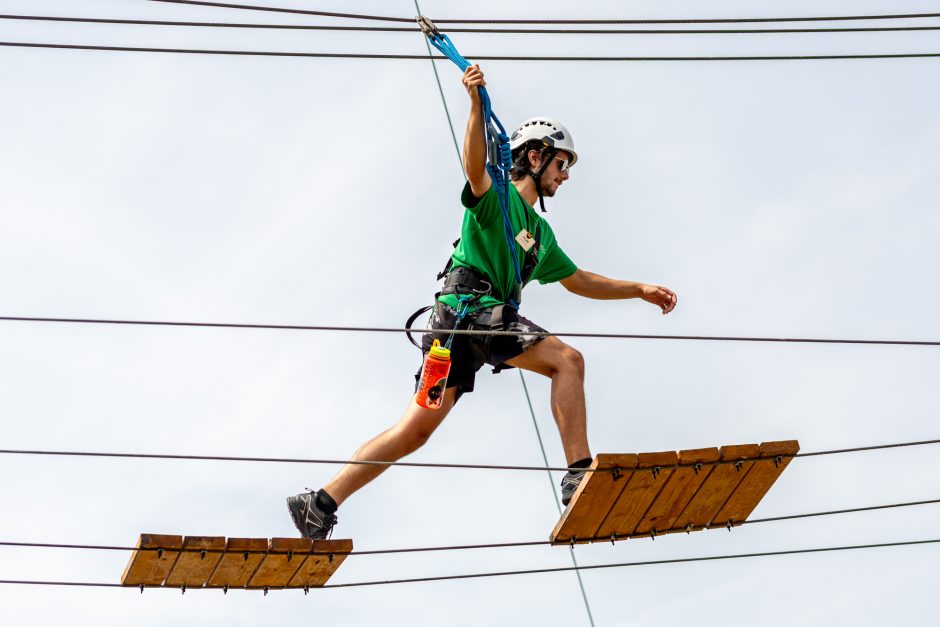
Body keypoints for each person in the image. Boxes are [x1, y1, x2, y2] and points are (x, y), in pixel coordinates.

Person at [287, 64, 677, 540]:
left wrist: (637, 289)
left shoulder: (541, 235)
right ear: (535, 157)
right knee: (567, 361)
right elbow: (474, 167)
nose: (566, 176)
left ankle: (320, 502)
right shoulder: (496, 198)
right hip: (471, 312)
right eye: (562, 164)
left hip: (451, 333)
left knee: (416, 429)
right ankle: (579, 472)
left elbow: (578, 280)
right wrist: (475, 104)